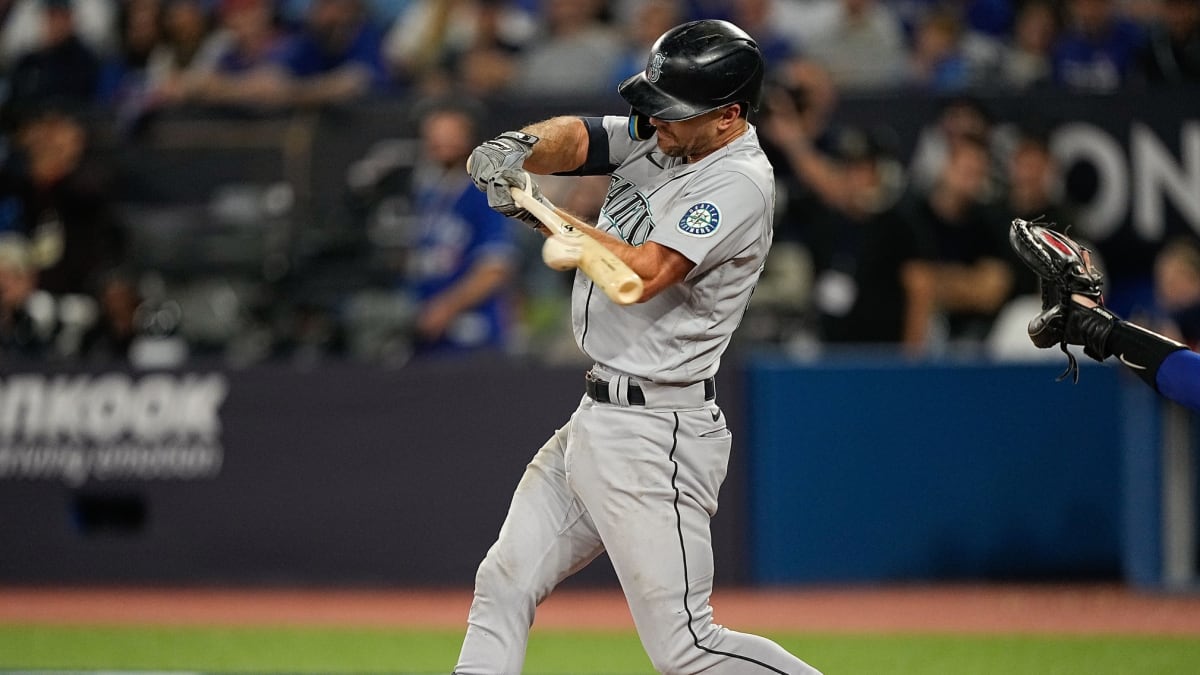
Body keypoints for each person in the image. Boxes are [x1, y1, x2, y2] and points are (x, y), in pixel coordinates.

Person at [456, 19, 822, 675]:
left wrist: (545, 212)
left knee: (688, 647)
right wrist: (518, 146)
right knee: (504, 580)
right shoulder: (670, 137)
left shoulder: (737, 181)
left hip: (659, 432)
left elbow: (642, 275)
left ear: (728, 115)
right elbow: (584, 138)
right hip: (598, 417)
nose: (657, 124)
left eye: (675, 114)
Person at [405, 99, 518, 357]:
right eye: (435, 136)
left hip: (473, 337)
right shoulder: (428, 194)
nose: (441, 144)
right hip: (429, 338)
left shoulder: (486, 194)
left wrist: (445, 308)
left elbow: (495, 269)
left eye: (450, 136)